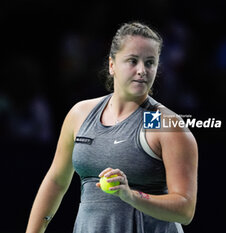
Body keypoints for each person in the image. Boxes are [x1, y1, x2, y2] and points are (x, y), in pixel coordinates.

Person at [25, 22, 198, 233]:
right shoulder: (80, 114)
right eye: (132, 61)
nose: (142, 70)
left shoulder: (166, 124)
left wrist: (131, 195)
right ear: (112, 65)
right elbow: (56, 181)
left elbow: (185, 210)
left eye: (150, 62)